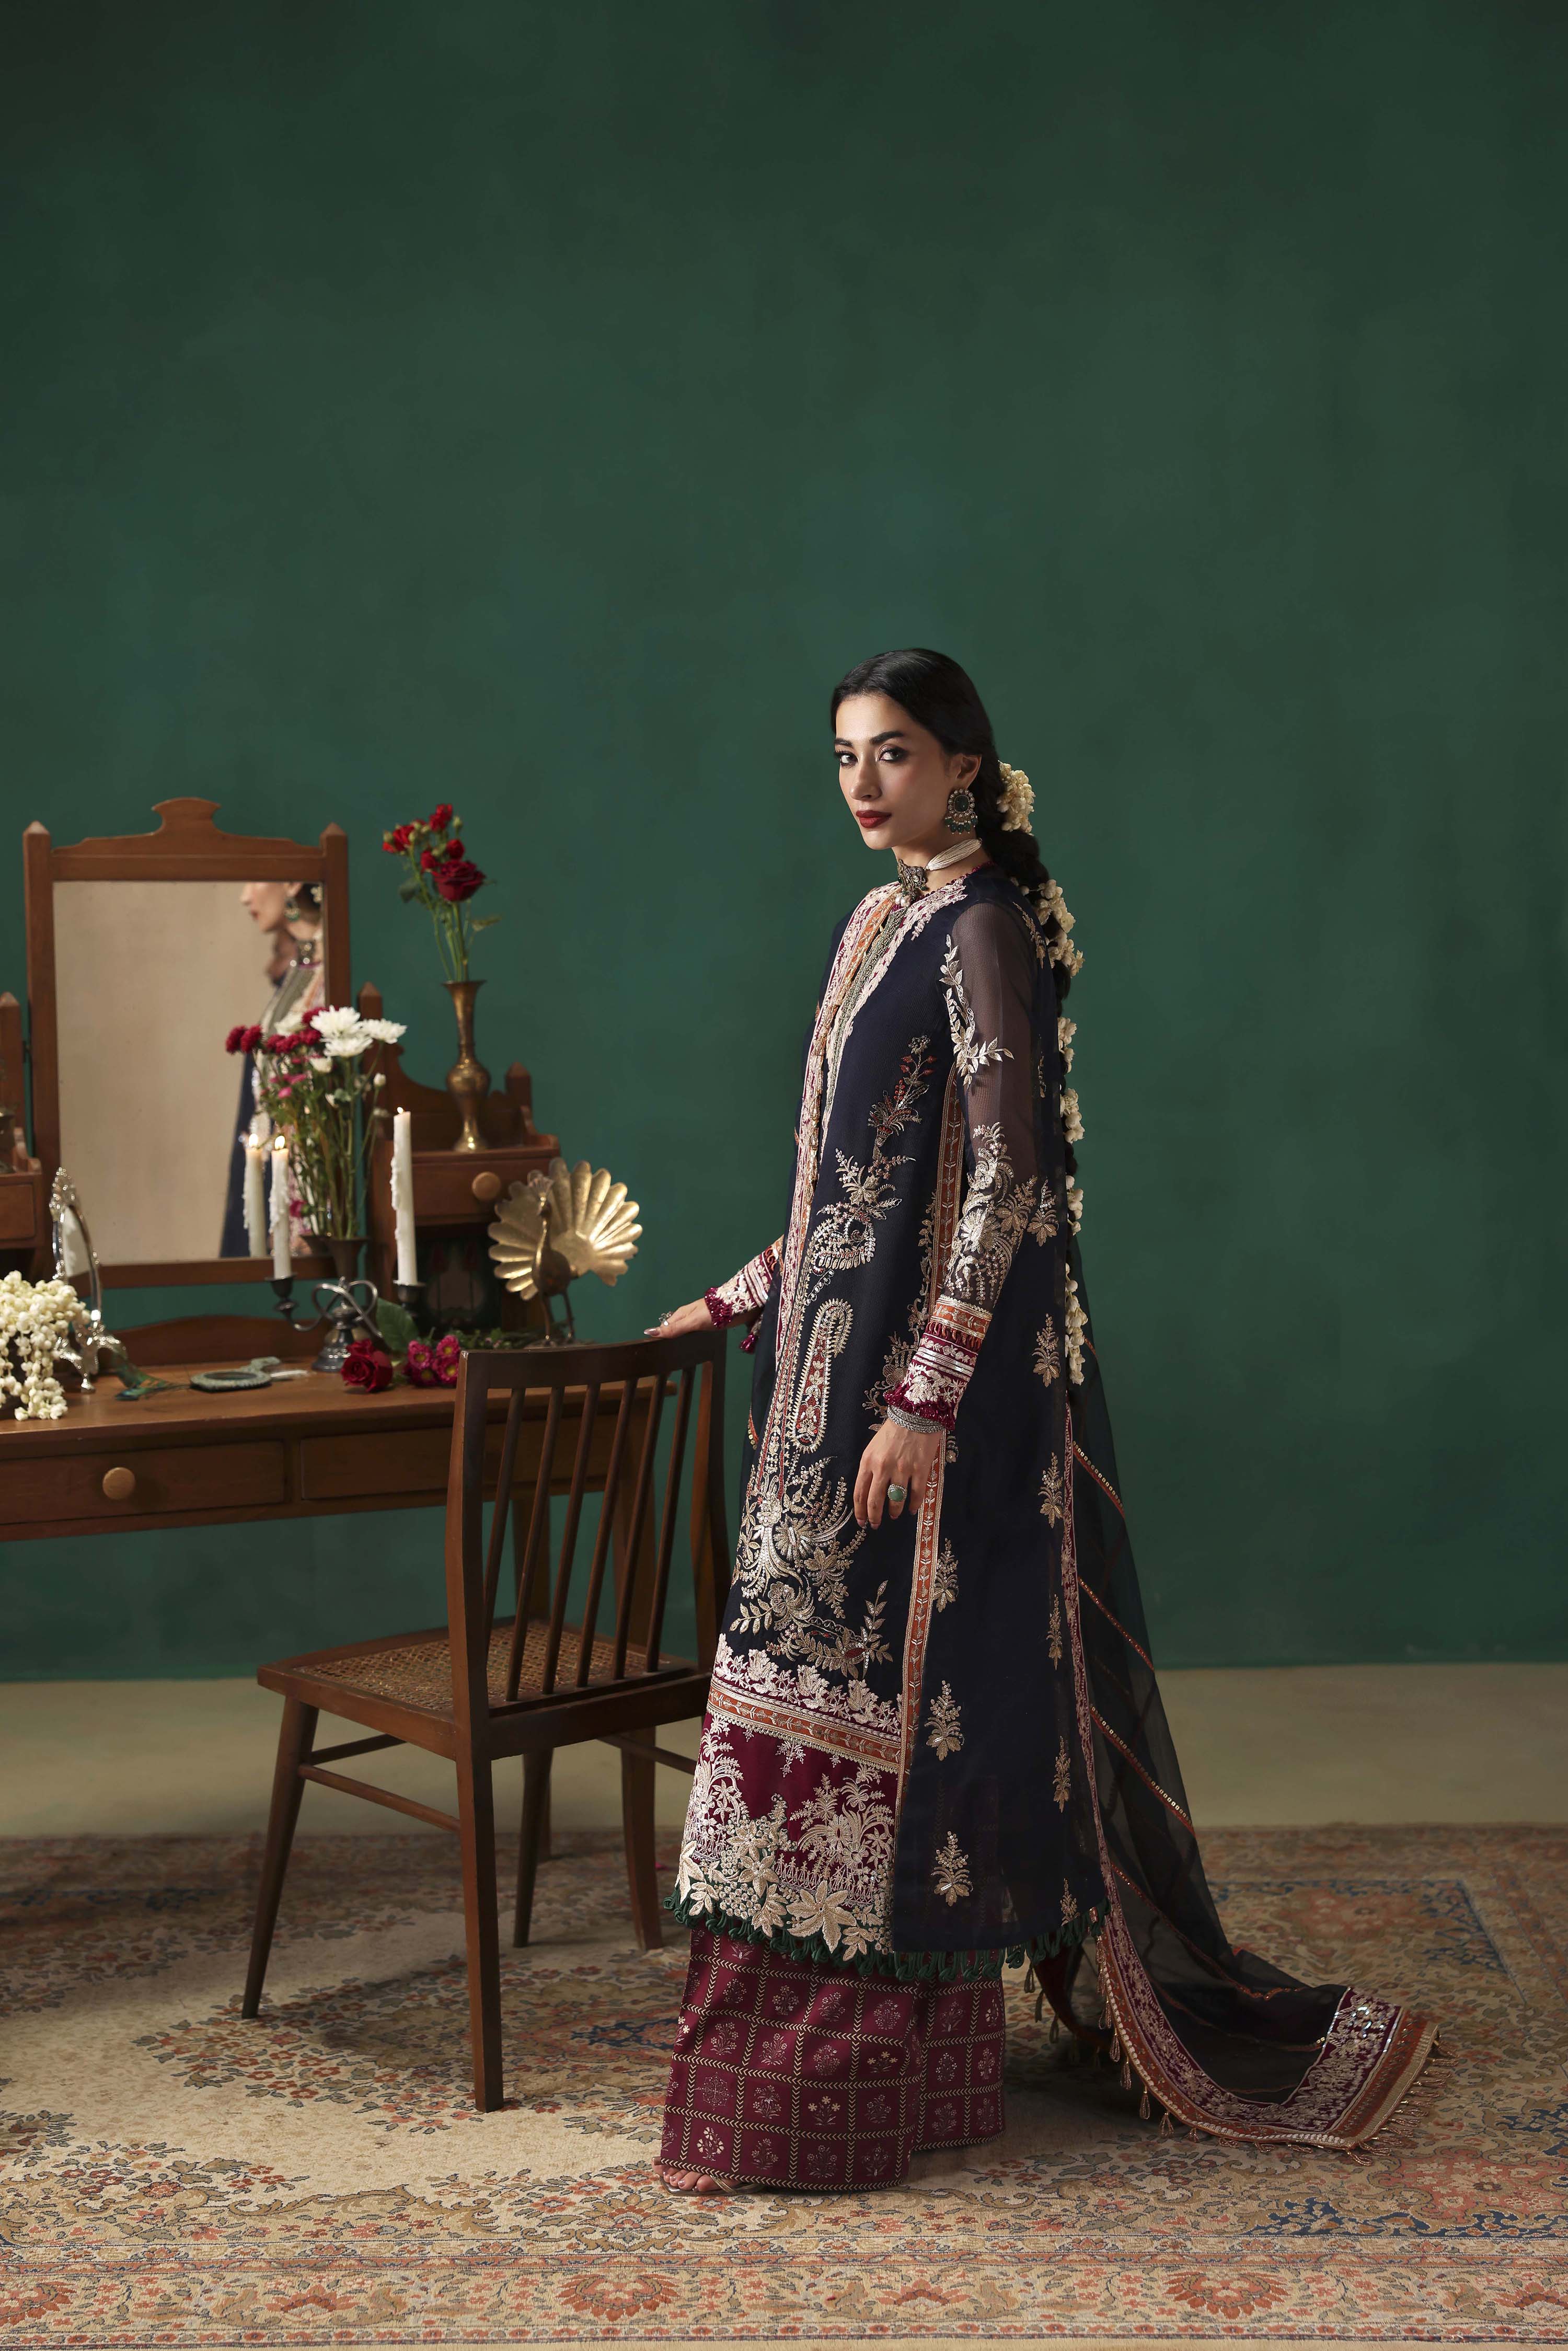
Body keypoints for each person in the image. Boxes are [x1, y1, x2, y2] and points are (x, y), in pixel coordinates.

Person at [648, 648, 1434, 2195]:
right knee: (802, 1697)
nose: (862, 781)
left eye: (892, 752)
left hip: (918, 1401)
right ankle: (845, 2083)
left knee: (892, 1708)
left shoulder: (980, 927)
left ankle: (846, 2095)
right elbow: (850, 1181)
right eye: (844, 754)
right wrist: (738, 1292)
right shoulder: (873, 919)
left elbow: (1005, 1178)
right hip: (818, 1389)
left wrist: (925, 1398)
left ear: (962, 765)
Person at [218, 881, 324, 1255]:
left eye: (254, 879)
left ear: (292, 883)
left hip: (308, 1186)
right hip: (272, 1165)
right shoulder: (303, 966)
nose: (245, 896)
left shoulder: (330, 968)